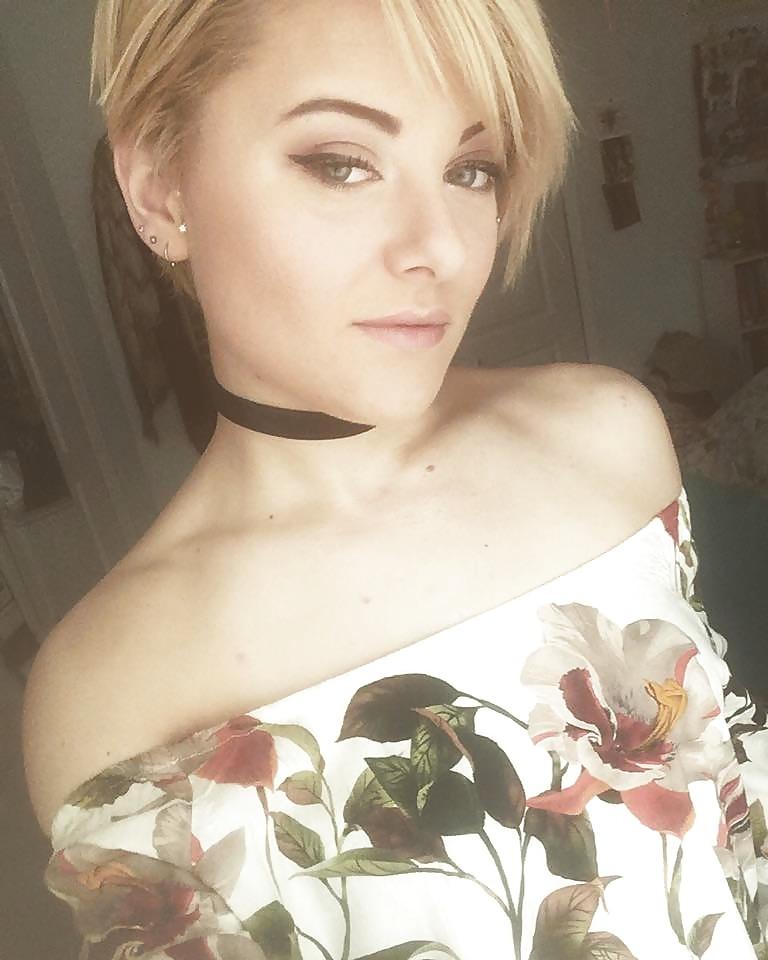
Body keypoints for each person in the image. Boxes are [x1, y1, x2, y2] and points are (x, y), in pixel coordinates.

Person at [21, 1, 767, 957]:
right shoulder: (108, 690)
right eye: (342, 163)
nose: (442, 247)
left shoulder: (608, 435)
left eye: (470, 170)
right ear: (161, 190)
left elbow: (729, 828)